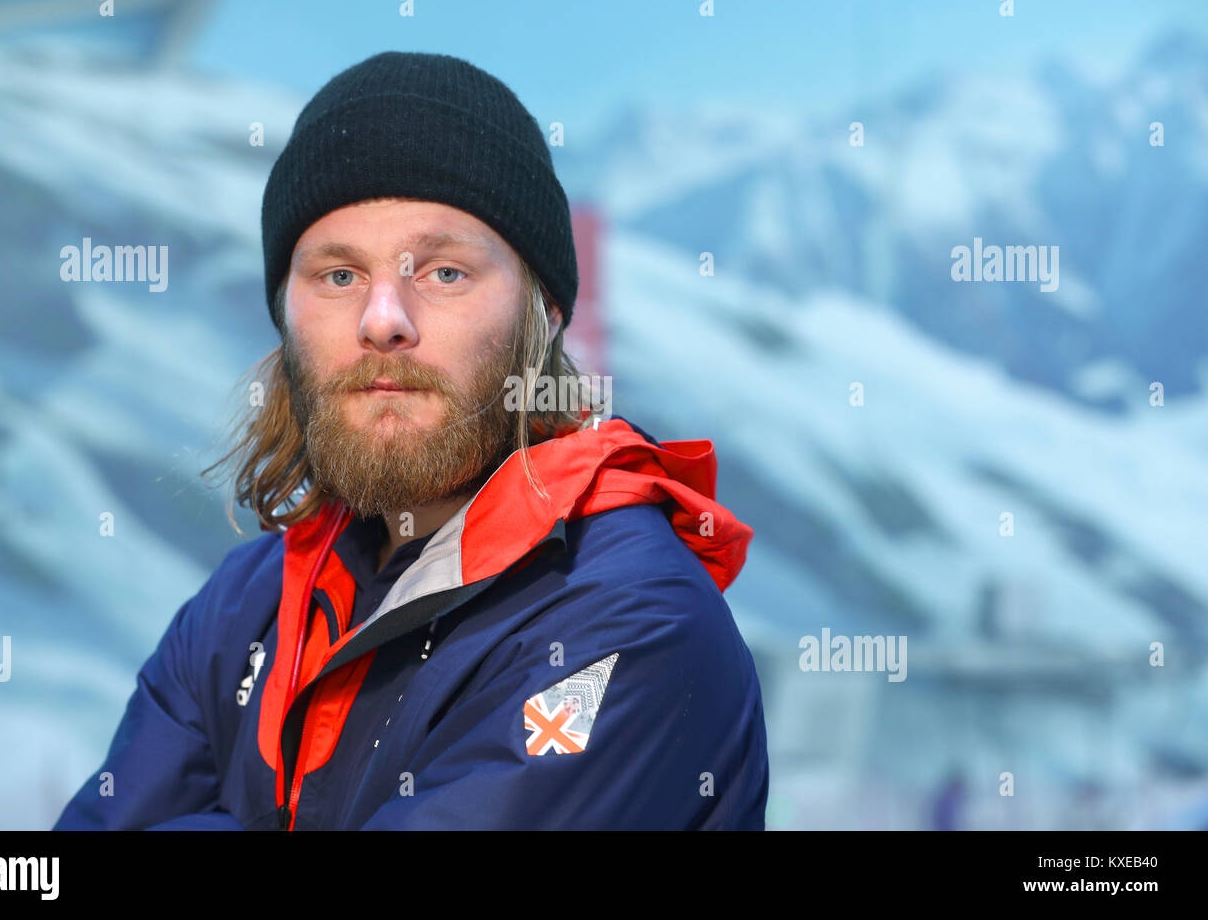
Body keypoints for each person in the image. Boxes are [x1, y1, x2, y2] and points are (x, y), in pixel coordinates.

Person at [53, 50, 768, 830]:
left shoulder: (629, 620)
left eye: (444, 273)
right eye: (337, 276)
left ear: (545, 317)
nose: (382, 318)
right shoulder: (243, 604)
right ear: (285, 318)